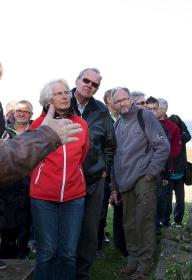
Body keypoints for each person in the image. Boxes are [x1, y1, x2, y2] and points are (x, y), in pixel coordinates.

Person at [29, 79, 89, 280]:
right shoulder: (37, 126)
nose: (65, 96)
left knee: (69, 253)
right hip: (43, 197)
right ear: (48, 99)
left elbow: (82, 155)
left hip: (74, 196)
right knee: (47, 252)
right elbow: (30, 157)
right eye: (58, 93)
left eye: (66, 92)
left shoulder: (81, 124)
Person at [110, 87, 170, 280]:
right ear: (114, 105)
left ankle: (144, 264)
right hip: (124, 181)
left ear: (131, 99)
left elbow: (163, 147)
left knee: (143, 222)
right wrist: (114, 187)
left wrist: (150, 174)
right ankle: (133, 261)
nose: (122, 103)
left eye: (125, 99)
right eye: (118, 101)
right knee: (129, 223)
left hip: (143, 179)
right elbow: (116, 158)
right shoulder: (118, 124)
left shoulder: (145, 117)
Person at [70, 68, 117, 280]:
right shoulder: (60, 102)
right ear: (77, 80)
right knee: (67, 228)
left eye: (95, 84)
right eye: (86, 80)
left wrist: (104, 169)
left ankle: (82, 274)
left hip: (94, 180)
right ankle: (64, 270)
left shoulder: (100, 110)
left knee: (89, 231)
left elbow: (110, 143)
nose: (89, 85)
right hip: (65, 178)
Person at [0, 100, 34, 261]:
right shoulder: (5, 132)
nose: (21, 114)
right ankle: (7, 254)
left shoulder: (35, 132)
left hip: (30, 184)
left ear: (31, 115)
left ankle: (22, 253)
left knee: (25, 221)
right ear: (13, 113)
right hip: (8, 185)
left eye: (25, 111)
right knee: (6, 222)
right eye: (18, 111)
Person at [145, 97, 181, 227]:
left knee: (163, 197)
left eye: (157, 108)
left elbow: (175, 148)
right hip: (147, 168)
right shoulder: (146, 123)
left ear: (164, 109)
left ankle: (162, 221)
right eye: (151, 108)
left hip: (165, 167)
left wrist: (162, 159)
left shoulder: (172, 127)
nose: (154, 111)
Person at [104, 89, 128, 257]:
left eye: (121, 100)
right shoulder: (110, 120)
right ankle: (116, 242)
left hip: (127, 173)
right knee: (114, 208)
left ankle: (124, 245)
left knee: (125, 210)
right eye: (113, 101)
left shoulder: (126, 119)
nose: (117, 104)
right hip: (110, 171)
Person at [168, 114, 191, 227]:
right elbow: (188, 135)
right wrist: (181, 126)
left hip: (169, 173)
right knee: (179, 199)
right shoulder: (183, 137)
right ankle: (177, 221)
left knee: (167, 199)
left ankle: (165, 220)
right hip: (179, 173)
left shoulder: (168, 136)